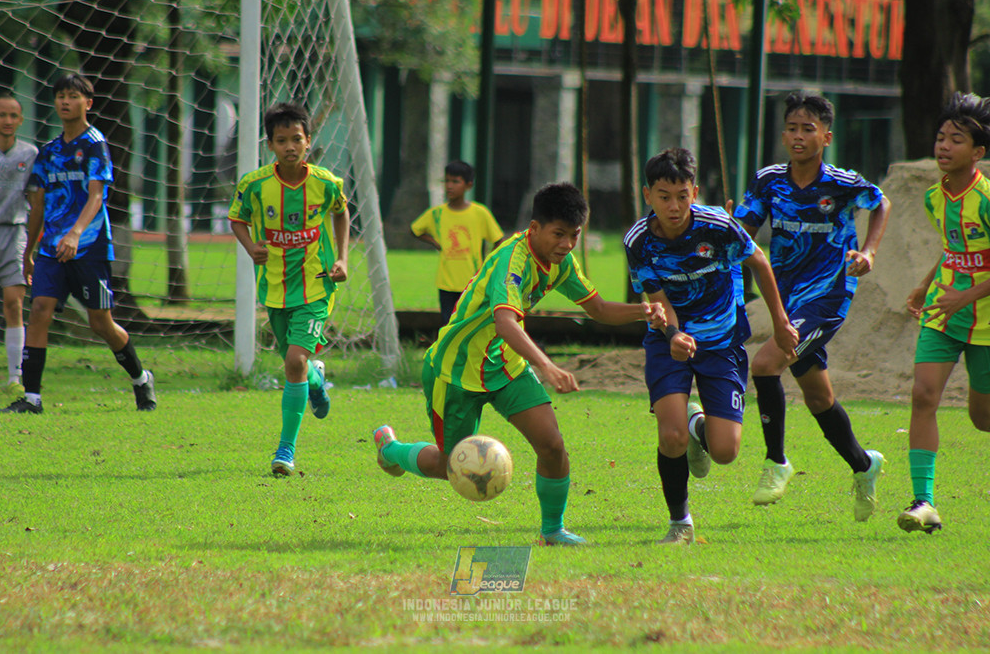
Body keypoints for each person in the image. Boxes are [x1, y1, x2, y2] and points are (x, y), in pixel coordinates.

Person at [374, 182, 663, 546]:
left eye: (574, 235)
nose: (567, 244)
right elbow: (505, 323)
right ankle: (391, 450)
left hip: (506, 364)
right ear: (535, 228)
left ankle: (552, 530)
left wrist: (644, 311)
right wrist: (548, 366)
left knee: (552, 445)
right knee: (451, 467)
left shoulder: (561, 263)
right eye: (559, 234)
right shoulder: (513, 260)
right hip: (456, 369)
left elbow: (599, 309)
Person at [624, 148, 798, 545]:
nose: (675, 206)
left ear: (695, 191)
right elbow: (655, 300)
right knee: (670, 439)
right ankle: (680, 522)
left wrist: (781, 324)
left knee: (724, 452)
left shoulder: (718, 225)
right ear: (647, 194)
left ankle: (696, 421)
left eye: (683, 195)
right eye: (664, 196)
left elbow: (760, 263)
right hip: (669, 342)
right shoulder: (638, 240)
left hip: (721, 342)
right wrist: (673, 336)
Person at [733, 91, 892, 520]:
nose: (799, 136)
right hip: (786, 297)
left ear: (827, 136)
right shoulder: (769, 180)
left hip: (828, 296)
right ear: (783, 134)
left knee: (765, 365)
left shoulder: (841, 183)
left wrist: (870, 254)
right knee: (819, 397)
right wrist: (729, 228)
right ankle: (864, 465)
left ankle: (776, 461)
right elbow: (745, 227)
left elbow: (881, 203)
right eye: (792, 128)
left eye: (808, 129)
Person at [0, 73, 156, 415]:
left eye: (72, 96)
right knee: (39, 311)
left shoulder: (95, 144)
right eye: (60, 96)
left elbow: (96, 196)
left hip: (90, 246)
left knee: (100, 323)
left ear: (88, 103)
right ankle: (32, 398)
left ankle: (141, 377)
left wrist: (76, 233)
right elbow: (37, 204)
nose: (65, 102)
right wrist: (29, 249)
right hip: (52, 248)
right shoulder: (49, 152)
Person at [229, 102, 349, 476]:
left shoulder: (326, 183)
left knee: (292, 361)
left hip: (316, 286)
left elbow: (342, 212)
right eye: (281, 140)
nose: (290, 146)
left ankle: (286, 450)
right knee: (296, 364)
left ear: (308, 141)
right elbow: (236, 219)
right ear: (271, 145)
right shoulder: (254, 185)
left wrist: (341, 259)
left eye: (296, 139)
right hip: (275, 288)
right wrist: (252, 249)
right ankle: (316, 377)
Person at [898, 92, 990, 534]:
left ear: (978, 154)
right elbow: (954, 249)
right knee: (923, 395)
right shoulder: (935, 199)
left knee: (982, 418)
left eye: (956, 139)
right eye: (940, 137)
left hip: (985, 319)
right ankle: (925, 502)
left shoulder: (987, 198)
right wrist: (926, 283)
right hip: (943, 311)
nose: (944, 146)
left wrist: (966, 297)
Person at [411, 160, 504, 326]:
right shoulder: (437, 214)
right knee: (448, 323)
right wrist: (435, 243)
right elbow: (415, 230)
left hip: (472, 280)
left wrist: (489, 265)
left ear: (469, 185)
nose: (449, 186)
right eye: (446, 181)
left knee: (469, 323)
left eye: (455, 181)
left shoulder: (479, 213)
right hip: (446, 281)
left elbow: (498, 240)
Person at [0, 95, 37, 398]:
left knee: (13, 302)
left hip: (15, 231)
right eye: (2, 115)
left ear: (20, 120)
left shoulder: (30, 154)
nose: (7, 120)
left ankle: (14, 375)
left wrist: (31, 250)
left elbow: (37, 201)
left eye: (13, 116)